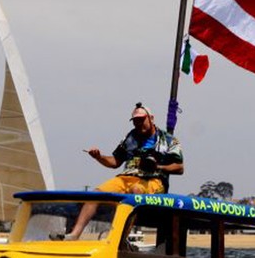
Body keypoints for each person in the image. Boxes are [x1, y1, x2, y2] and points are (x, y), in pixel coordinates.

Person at [66, 103, 183, 240]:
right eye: (135, 121)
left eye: (142, 120)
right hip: (126, 177)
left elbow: (179, 167)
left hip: (153, 180)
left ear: (151, 118)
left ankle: (120, 240)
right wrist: (99, 157)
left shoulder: (168, 140)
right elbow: (115, 162)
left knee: (135, 190)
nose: (139, 124)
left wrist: (157, 167)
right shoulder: (130, 138)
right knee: (96, 194)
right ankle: (74, 234)